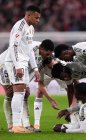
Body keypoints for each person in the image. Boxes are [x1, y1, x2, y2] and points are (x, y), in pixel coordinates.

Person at [0, 40, 59, 132]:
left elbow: (40, 83)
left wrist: (50, 99)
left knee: (25, 93)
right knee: (10, 93)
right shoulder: (30, 48)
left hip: (22, 68)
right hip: (6, 63)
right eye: (47, 54)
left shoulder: (48, 57)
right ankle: (11, 125)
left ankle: (26, 125)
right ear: (42, 49)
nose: (48, 56)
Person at [4, 5, 41, 133]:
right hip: (16, 62)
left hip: (24, 62)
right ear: (29, 15)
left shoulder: (30, 28)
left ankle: (18, 125)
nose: (38, 20)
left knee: (22, 92)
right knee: (18, 92)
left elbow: (30, 50)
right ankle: (16, 125)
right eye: (36, 17)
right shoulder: (20, 26)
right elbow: (13, 46)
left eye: (39, 18)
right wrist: (18, 66)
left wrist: (35, 69)